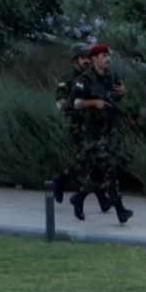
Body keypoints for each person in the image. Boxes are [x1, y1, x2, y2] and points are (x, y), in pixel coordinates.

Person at [69, 43, 133, 225]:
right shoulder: (84, 79)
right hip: (94, 133)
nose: (107, 59)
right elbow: (75, 103)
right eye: (103, 56)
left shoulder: (113, 77)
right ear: (94, 59)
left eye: (108, 56)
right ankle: (120, 210)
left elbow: (118, 96)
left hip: (110, 130)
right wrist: (93, 103)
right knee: (110, 169)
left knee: (98, 173)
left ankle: (79, 198)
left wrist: (124, 92)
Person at [51, 45, 92, 206]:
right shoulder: (67, 78)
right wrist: (78, 104)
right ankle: (61, 180)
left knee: (94, 161)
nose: (86, 61)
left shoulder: (91, 77)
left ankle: (104, 198)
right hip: (77, 124)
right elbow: (61, 103)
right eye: (82, 58)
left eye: (88, 58)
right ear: (75, 61)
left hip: (93, 123)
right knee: (86, 160)